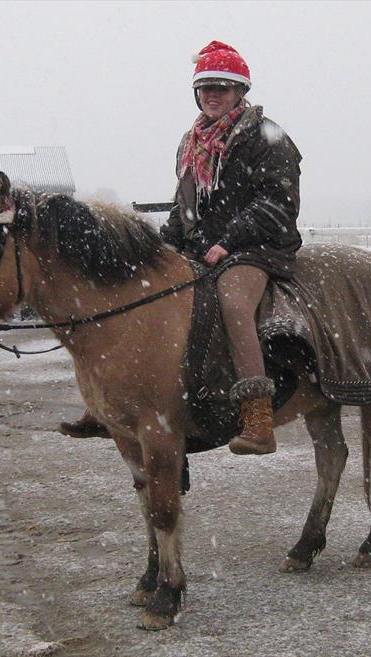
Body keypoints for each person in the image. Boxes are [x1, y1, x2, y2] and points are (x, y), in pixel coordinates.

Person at [61, 40, 302, 456]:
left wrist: (230, 241)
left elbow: (278, 203)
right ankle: (121, 403)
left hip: (257, 248)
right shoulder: (192, 142)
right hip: (204, 246)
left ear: (240, 92)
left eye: (223, 87)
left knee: (233, 303)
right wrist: (160, 246)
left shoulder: (269, 138)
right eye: (206, 86)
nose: (213, 94)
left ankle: (257, 416)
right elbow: (185, 205)